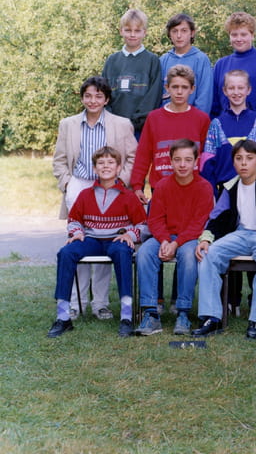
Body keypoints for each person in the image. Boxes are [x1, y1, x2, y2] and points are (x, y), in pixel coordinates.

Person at [52, 76, 137, 320]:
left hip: (111, 184)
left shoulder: (121, 124)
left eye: (99, 96)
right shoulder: (68, 124)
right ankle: (76, 303)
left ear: (107, 99)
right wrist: (68, 184)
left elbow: (133, 156)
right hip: (79, 184)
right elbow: (59, 159)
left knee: (106, 241)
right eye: (88, 96)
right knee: (78, 241)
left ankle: (100, 303)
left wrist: (122, 183)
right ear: (82, 98)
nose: (93, 101)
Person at [47, 146, 146, 338]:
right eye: (101, 163)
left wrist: (130, 235)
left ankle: (126, 317)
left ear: (118, 168)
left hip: (116, 239)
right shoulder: (85, 195)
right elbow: (74, 220)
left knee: (122, 251)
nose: (106, 166)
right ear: (94, 168)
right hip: (91, 239)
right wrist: (76, 232)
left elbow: (143, 225)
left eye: (111, 162)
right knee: (66, 252)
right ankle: (63, 317)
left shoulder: (128, 196)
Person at [191, 140, 256, 339]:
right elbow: (216, 217)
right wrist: (206, 239)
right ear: (233, 162)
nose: (244, 163)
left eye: (249, 158)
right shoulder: (231, 186)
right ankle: (212, 318)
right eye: (239, 158)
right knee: (208, 255)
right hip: (241, 234)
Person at [134, 139, 214, 336]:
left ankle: (183, 312)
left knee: (188, 255)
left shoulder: (204, 187)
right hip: (164, 236)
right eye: (177, 160)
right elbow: (155, 219)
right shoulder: (162, 186)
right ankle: (151, 313)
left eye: (188, 160)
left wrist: (176, 243)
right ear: (170, 161)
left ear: (196, 161)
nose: (182, 164)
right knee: (144, 253)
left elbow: (198, 224)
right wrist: (164, 241)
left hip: (190, 237)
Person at [130, 65, 210, 205]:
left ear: (192, 89)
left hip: (192, 188)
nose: (179, 92)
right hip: (160, 187)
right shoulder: (154, 118)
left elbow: (205, 157)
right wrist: (137, 185)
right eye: (175, 87)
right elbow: (143, 154)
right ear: (167, 88)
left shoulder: (202, 119)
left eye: (184, 87)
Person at [200, 69, 256, 196]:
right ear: (224, 91)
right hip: (224, 191)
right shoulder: (216, 124)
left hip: (254, 190)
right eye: (231, 88)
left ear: (248, 90)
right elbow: (207, 162)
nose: (236, 92)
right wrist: (212, 193)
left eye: (240, 88)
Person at [210, 12, 256, 121]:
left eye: (243, 34)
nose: (239, 39)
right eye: (234, 35)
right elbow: (215, 104)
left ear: (252, 35)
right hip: (226, 126)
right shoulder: (221, 64)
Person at [102, 8, 162, 134]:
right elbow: (103, 94)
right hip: (114, 128)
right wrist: (113, 121)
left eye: (137, 31)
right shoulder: (112, 61)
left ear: (144, 32)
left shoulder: (152, 61)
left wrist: (136, 122)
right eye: (128, 30)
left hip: (142, 129)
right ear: (121, 31)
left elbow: (153, 97)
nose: (132, 35)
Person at [159, 13, 213, 115]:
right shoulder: (163, 60)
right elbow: (158, 95)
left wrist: (197, 120)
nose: (179, 35)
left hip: (192, 119)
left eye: (184, 31)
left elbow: (204, 97)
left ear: (192, 33)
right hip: (166, 118)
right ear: (169, 34)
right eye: (175, 31)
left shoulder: (201, 59)